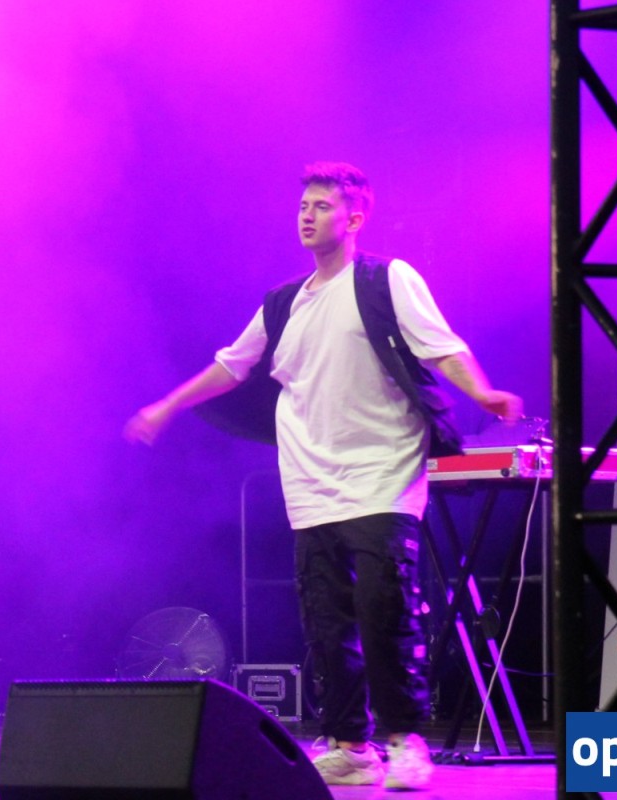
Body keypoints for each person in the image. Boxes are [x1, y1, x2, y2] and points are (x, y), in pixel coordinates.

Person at [123, 162, 522, 790]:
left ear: (354, 218)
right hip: (310, 483)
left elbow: (440, 345)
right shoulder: (285, 303)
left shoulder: (387, 279)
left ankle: (405, 741)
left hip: (383, 474)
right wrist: (168, 405)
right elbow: (232, 365)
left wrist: (482, 391)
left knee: (384, 609)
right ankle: (351, 746)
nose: (306, 216)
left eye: (321, 206)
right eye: (303, 206)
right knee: (327, 622)